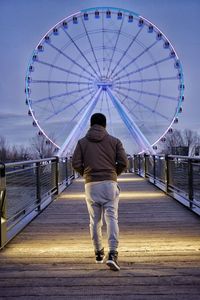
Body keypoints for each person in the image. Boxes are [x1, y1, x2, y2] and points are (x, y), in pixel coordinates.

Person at [72, 113, 127, 271]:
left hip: (91, 185)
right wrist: (113, 174)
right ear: (105, 125)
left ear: (90, 125)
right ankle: (113, 254)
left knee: (94, 221)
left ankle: (98, 252)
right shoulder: (115, 141)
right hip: (109, 184)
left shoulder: (82, 143)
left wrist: (86, 174)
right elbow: (124, 162)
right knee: (112, 219)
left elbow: (75, 162)